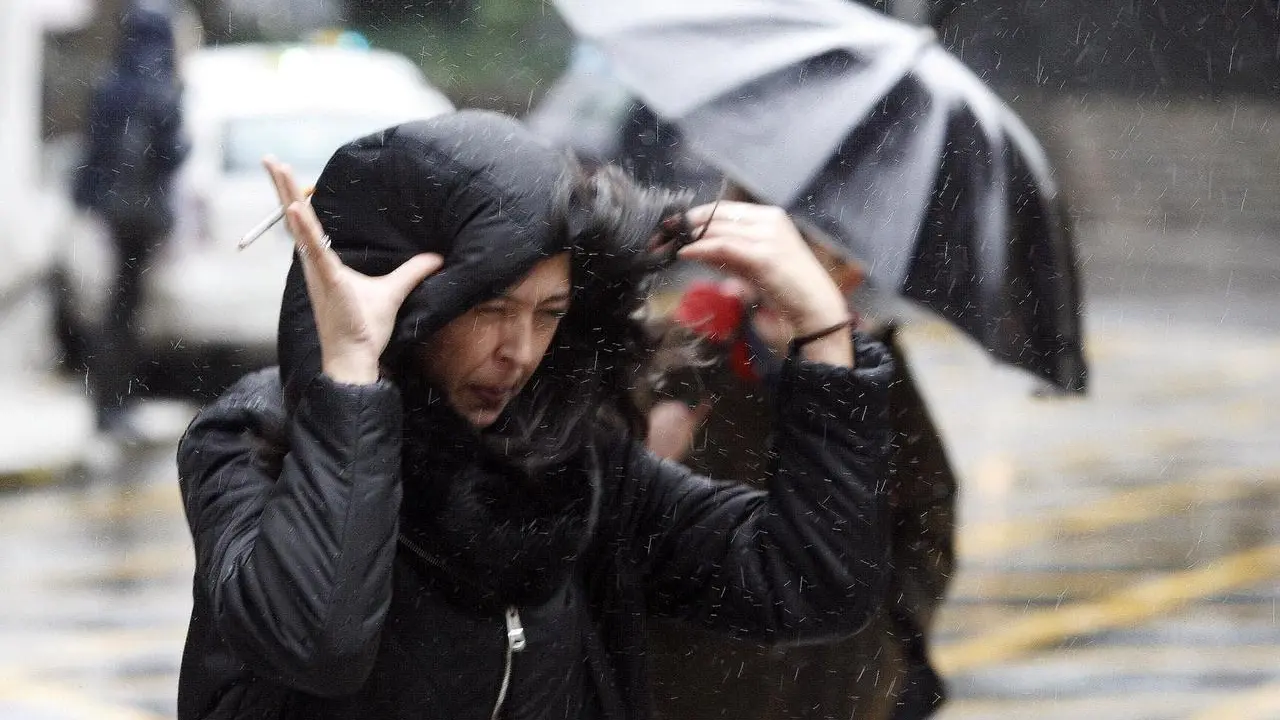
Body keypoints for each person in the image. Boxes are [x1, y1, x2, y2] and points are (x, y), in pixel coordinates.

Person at [175, 110, 895, 719]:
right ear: (411, 296)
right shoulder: (256, 436)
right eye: (489, 308)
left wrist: (823, 332)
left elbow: (808, 584)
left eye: (550, 312)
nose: (518, 351)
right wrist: (353, 382)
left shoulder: (569, 461)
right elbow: (317, 643)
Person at [639, 194, 956, 720]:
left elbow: (930, 512)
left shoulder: (872, 371)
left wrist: (889, 633)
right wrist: (656, 452)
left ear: (846, 273)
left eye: (808, 252)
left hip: (835, 686)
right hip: (691, 682)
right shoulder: (686, 352)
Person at [72, 1, 188, 433]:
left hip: (115, 211)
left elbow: (95, 152)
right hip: (140, 212)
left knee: (117, 308)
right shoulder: (159, 86)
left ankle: (110, 403)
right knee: (125, 310)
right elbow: (171, 152)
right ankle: (114, 405)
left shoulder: (111, 84)